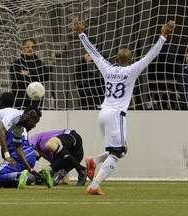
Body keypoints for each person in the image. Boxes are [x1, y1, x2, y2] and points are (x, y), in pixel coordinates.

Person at [72, 18, 175, 195]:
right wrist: (163, 37)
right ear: (131, 60)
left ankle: (93, 160)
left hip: (103, 113)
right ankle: (94, 186)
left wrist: (81, 33)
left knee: (122, 150)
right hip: (116, 115)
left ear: (115, 59)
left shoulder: (107, 68)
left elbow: (93, 52)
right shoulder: (132, 70)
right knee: (116, 153)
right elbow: (150, 56)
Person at [17, 129, 87, 188]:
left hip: (72, 137)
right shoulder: (50, 155)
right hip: (76, 156)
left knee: (49, 145)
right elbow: (65, 179)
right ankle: (81, 170)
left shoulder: (33, 141)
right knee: (42, 177)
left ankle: (81, 169)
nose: (36, 159)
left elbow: (23, 151)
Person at [10, 38, 51, 109]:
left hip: (36, 99)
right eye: (27, 47)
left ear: (35, 50)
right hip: (20, 99)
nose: (30, 49)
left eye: (32, 47)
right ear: (23, 49)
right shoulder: (16, 64)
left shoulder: (39, 63)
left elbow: (46, 76)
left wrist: (29, 72)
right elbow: (15, 78)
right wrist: (36, 76)